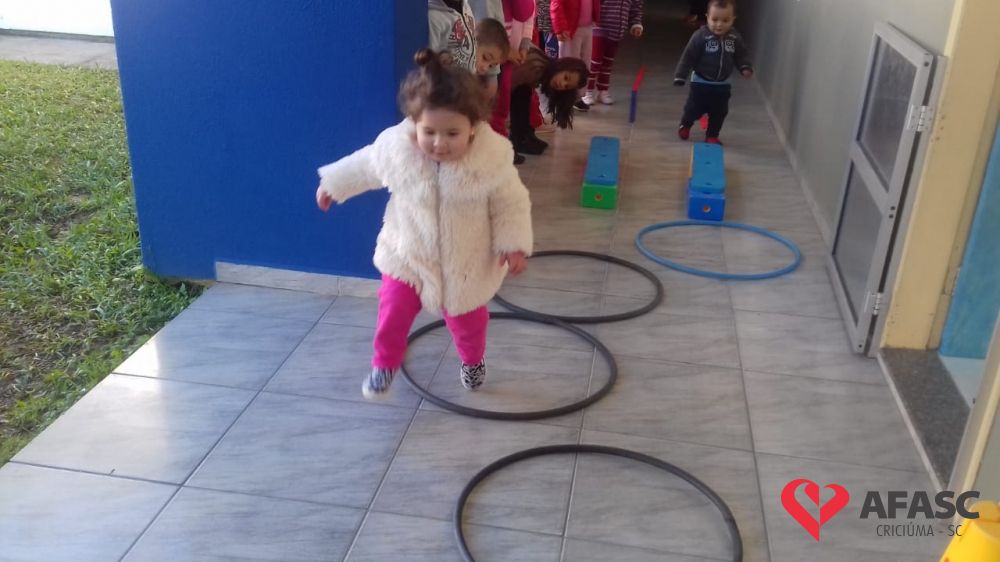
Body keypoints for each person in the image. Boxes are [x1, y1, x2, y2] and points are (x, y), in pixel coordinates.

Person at [315, 50, 533, 399]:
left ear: (473, 129)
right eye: (428, 131)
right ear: (414, 124)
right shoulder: (396, 149)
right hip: (408, 254)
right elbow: (367, 164)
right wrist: (334, 184)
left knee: (469, 323)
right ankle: (384, 364)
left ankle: (472, 361)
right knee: (393, 309)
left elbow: (512, 202)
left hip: (464, 263)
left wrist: (513, 244)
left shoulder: (491, 162)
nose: (439, 143)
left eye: (452, 133)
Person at [673, 0, 752, 144]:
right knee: (694, 108)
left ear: (733, 19)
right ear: (707, 17)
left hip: (723, 85)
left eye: (725, 20)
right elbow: (688, 57)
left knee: (719, 112)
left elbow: (741, 54)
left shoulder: (734, 37)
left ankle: (712, 135)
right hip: (700, 83)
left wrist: (745, 67)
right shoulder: (700, 36)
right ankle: (686, 124)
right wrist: (680, 76)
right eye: (715, 20)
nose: (719, 24)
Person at [509, 48, 589, 155]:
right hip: (493, 79)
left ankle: (522, 136)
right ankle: (515, 140)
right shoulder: (535, 67)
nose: (562, 84)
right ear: (561, 67)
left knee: (524, 92)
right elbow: (504, 89)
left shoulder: (543, 66)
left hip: (502, 79)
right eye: (565, 77)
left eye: (567, 87)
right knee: (522, 93)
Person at [582, 0, 643, 106]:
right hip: (599, 27)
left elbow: (636, 8)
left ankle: (603, 90)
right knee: (594, 62)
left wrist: (636, 24)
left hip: (617, 31)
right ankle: (587, 91)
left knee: (607, 63)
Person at [551, 0, 601, 110]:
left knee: (585, 64)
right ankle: (564, 97)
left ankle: (578, 97)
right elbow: (556, 4)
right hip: (570, 28)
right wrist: (559, 28)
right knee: (568, 65)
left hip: (588, 27)